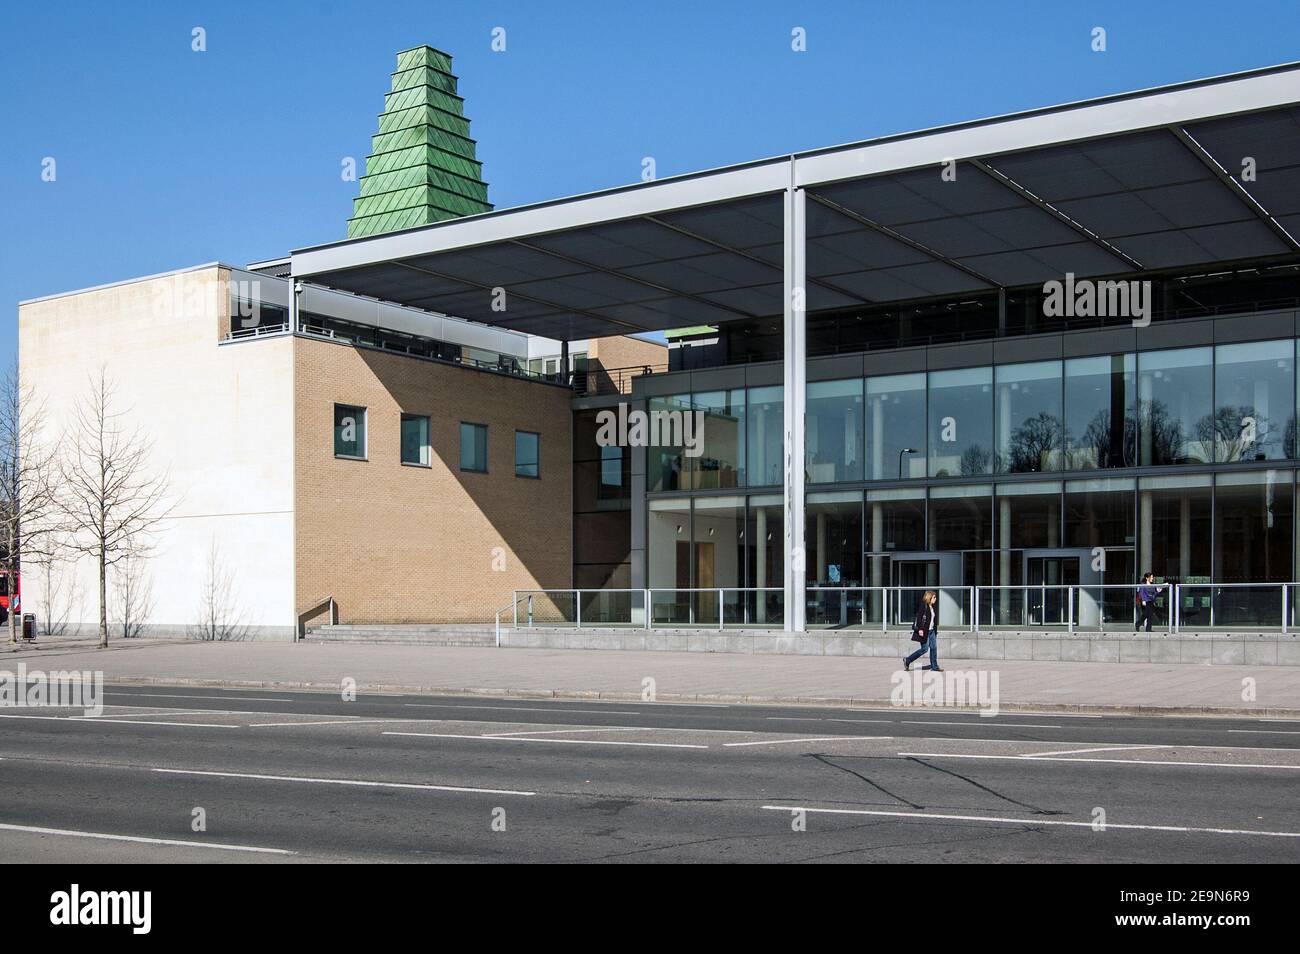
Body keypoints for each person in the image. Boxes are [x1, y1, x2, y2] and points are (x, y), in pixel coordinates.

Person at [904, 590, 942, 672]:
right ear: (929, 597)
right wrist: (920, 629)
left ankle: (934, 667)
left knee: (934, 648)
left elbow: (933, 620)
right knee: (924, 649)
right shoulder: (923, 606)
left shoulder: (933, 607)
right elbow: (919, 618)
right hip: (925, 631)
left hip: (932, 631)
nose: (935, 599)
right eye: (934, 597)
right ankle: (908, 660)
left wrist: (935, 631)